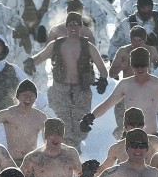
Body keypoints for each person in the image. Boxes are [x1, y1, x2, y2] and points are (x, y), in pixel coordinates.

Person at [26, 12, 108, 147]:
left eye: (77, 24)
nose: (73, 27)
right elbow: (40, 57)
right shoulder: (56, 44)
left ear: (81, 27)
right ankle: (63, 152)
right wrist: (30, 62)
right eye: (70, 24)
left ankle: (75, 152)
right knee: (61, 124)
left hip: (81, 91)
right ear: (66, 27)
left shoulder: (88, 46)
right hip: (59, 90)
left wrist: (103, 80)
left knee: (80, 125)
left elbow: (102, 68)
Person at [84, 47, 158, 138]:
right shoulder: (125, 84)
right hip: (129, 137)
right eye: (136, 66)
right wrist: (91, 117)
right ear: (132, 66)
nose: (140, 69)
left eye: (143, 65)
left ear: (148, 65)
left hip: (151, 137)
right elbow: (107, 104)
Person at [0, 79, 46, 164]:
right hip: (12, 161)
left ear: (35, 97)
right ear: (18, 96)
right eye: (24, 95)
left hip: (32, 162)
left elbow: (49, 141)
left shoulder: (41, 117)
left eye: (31, 95)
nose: (28, 98)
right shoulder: (8, 114)